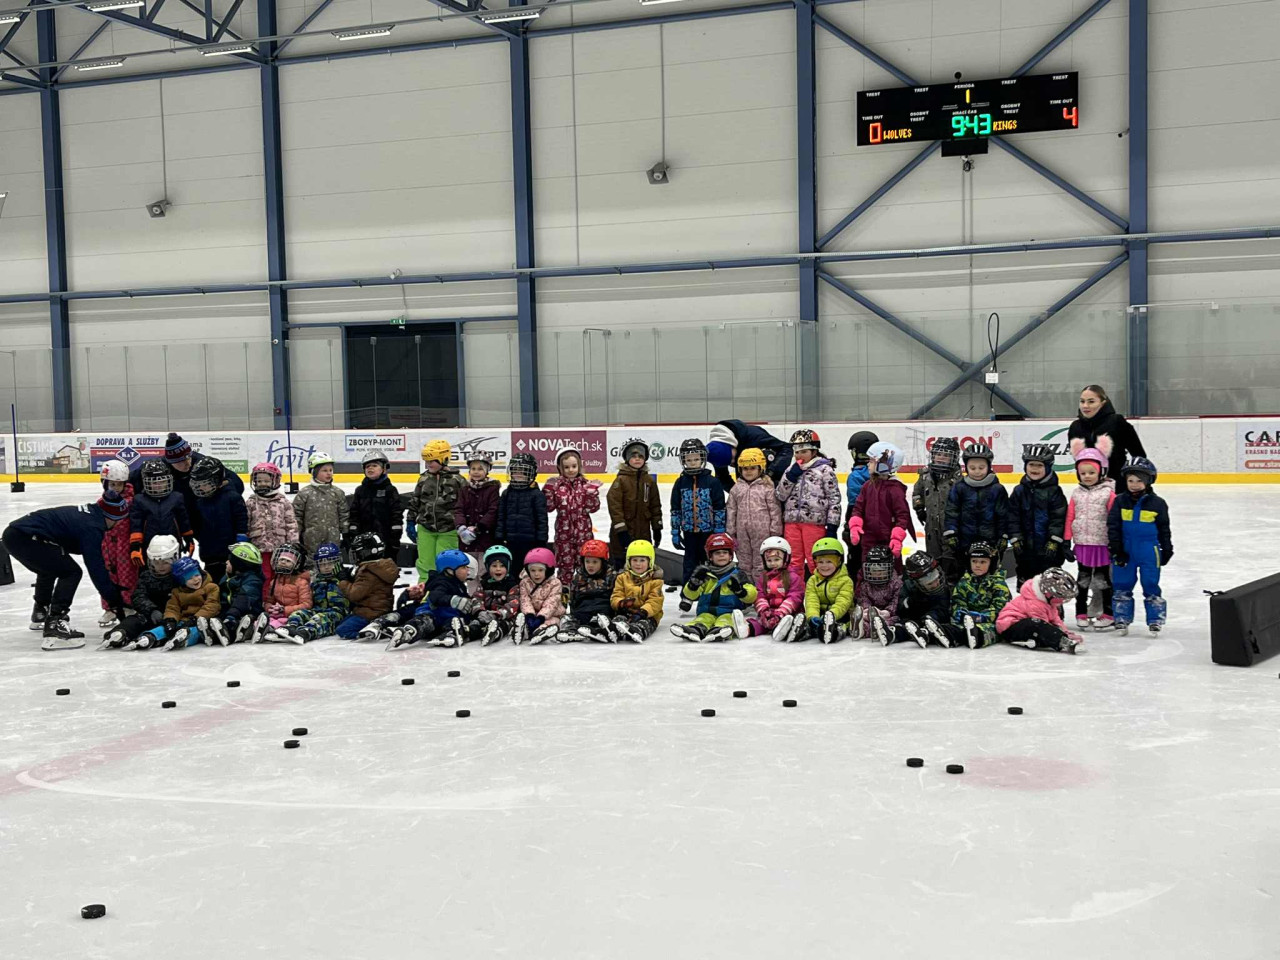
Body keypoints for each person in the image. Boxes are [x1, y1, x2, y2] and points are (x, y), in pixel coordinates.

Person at [2, 490, 130, 648]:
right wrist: (115, 602)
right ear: (111, 517)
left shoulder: (91, 513)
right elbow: (96, 568)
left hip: (14, 535)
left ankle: (41, 612)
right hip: (26, 538)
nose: (117, 525)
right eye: (118, 520)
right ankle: (55, 623)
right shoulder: (92, 526)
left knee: (50, 567)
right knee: (71, 572)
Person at [127, 433, 244, 537]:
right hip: (173, 516)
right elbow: (128, 483)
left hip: (200, 514)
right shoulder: (158, 467)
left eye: (188, 457)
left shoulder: (200, 462)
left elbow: (236, 483)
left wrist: (220, 491)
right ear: (170, 462)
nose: (188, 463)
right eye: (181, 461)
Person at [1108, 457, 1173, 634]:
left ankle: (1155, 619)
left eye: (1139, 481)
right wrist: (1116, 549)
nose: (1134, 485)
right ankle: (1121, 618)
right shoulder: (1120, 501)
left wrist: (1167, 548)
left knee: (1150, 583)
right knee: (1122, 584)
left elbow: (1164, 528)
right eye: (1130, 481)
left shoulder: (1158, 504)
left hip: (1149, 550)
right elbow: (1113, 526)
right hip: (1125, 549)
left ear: (1149, 481)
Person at [774, 429, 841, 578]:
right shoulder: (791, 470)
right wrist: (790, 478)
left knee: (814, 560)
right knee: (793, 561)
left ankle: (819, 589)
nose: (799, 456)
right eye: (797, 452)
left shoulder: (825, 470)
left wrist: (832, 525)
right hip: (792, 523)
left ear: (814, 451)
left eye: (803, 451)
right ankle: (795, 590)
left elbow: (834, 499)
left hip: (814, 524)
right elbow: (780, 495)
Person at [1065, 446, 1117, 631]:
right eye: (1083, 473)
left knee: (1103, 580)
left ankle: (1108, 613)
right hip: (1082, 544)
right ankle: (1080, 613)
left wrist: (1115, 542)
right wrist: (1067, 540)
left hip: (1102, 544)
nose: (1087, 476)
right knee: (1083, 580)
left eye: (1091, 472)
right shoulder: (1076, 493)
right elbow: (1070, 517)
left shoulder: (1108, 494)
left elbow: (1114, 520)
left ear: (1101, 472)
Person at [670, 533, 756, 643]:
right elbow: (690, 595)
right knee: (702, 619)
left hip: (729, 611)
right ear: (710, 556)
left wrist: (741, 592)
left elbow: (752, 596)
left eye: (725, 552)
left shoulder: (738, 574)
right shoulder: (705, 574)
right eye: (717, 553)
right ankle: (695, 629)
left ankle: (720, 630)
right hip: (706, 611)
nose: (721, 556)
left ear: (730, 555)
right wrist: (693, 584)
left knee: (726, 620)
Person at [101, 535, 180, 650]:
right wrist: (151, 610)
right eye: (156, 563)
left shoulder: (180, 576)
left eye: (165, 563)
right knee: (135, 620)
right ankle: (120, 633)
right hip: (150, 615)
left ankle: (151, 637)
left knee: (169, 627)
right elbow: (138, 596)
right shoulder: (146, 576)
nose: (160, 566)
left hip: (172, 617)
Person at [1008, 443, 1068, 589]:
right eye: (1031, 464)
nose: (1034, 469)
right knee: (1026, 585)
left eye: (1039, 465)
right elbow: (1012, 516)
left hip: (1049, 550)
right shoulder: (1019, 491)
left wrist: (1054, 540)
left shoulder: (1055, 492)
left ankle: (1052, 603)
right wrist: (1015, 537)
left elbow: (1059, 518)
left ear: (1048, 467)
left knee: (1049, 586)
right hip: (1025, 549)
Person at [670, 438, 727, 590]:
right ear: (683, 461)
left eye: (696, 459)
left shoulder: (712, 482)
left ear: (702, 459)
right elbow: (675, 509)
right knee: (689, 563)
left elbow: (719, 507)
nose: (693, 463)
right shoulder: (680, 483)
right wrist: (675, 531)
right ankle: (688, 593)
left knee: (709, 562)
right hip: (689, 532)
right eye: (689, 460)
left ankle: (710, 591)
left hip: (709, 532)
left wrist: (719, 530)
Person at [848, 441, 913, 569]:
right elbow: (858, 508)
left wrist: (896, 538)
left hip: (888, 539)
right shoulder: (867, 486)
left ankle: (895, 582)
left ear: (884, 465)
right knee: (867, 567)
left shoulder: (895, 490)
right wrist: (855, 525)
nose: (868, 464)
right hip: (868, 538)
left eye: (872, 461)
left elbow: (902, 515)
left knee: (892, 567)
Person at [943, 442, 1011, 562]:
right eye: (972, 468)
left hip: (991, 541)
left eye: (981, 468)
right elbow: (952, 512)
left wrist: (1003, 535)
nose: (977, 471)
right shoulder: (959, 488)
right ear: (966, 467)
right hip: (964, 541)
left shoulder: (997, 489)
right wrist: (951, 533)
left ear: (989, 467)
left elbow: (1003, 515)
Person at [406, 439, 463, 581]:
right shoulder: (423, 479)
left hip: (448, 530)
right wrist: (410, 521)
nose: (428, 464)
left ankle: (446, 590)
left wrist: (463, 524)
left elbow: (464, 505)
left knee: (447, 565)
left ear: (444, 459)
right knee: (426, 565)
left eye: (432, 461)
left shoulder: (457, 480)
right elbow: (415, 501)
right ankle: (425, 589)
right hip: (426, 529)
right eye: (426, 461)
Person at [726, 448, 783, 586]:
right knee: (744, 562)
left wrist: (775, 532)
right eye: (745, 468)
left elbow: (775, 511)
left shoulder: (767, 488)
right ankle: (747, 591)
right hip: (742, 534)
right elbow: (731, 510)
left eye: (752, 468)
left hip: (763, 533)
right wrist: (731, 531)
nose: (748, 471)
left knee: (761, 562)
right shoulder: (736, 489)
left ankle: (760, 591)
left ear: (760, 468)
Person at [996, 567, 1085, 654]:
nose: (1062, 601)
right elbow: (1043, 625)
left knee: (1040, 627)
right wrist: (1060, 635)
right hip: (1009, 628)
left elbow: (1055, 618)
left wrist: (1065, 631)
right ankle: (1064, 643)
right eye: (1061, 598)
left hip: (1025, 626)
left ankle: (1037, 640)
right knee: (1036, 624)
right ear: (1049, 594)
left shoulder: (1047, 602)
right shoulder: (1035, 603)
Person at [273, 542, 349, 644]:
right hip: (318, 609)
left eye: (330, 563)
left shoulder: (344, 578)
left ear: (337, 562)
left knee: (320, 619)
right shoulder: (316, 581)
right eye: (322, 564)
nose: (326, 567)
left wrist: (346, 579)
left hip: (338, 613)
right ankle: (290, 628)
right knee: (299, 614)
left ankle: (305, 632)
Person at [1068, 384, 1146, 484]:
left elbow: (1139, 455)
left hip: (1118, 485)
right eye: (1082, 401)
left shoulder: (1117, 422)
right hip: (1089, 487)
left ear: (1103, 403)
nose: (1085, 406)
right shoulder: (1075, 427)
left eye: (1091, 401)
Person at [190, 457, 248, 585]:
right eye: (199, 484)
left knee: (231, 583)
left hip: (230, 552)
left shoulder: (232, 497)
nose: (201, 488)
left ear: (217, 480)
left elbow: (241, 518)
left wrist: (241, 536)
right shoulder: (200, 501)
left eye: (205, 484)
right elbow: (198, 524)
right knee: (212, 584)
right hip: (209, 553)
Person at [782, 537, 853, 643]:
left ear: (838, 561)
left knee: (841, 626)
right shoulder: (813, 580)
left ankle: (834, 632)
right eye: (820, 562)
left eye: (829, 562)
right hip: (820, 615)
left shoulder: (846, 581)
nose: (824, 566)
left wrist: (832, 615)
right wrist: (813, 616)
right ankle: (802, 631)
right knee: (811, 624)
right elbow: (811, 601)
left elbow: (843, 602)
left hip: (840, 615)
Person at [606, 438, 662, 570]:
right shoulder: (621, 480)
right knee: (621, 563)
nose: (637, 459)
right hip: (622, 534)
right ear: (627, 459)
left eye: (641, 456)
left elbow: (655, 506)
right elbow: (615, 506)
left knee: (642, 563)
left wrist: (657, 527)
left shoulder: (649, 481)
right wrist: (621, 531)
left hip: (643, 533)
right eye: (633, 456)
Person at [544, 446, 602, 575]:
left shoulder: (586, 485)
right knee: (565, 568)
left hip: (583, 534)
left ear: (579, 466)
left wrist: (591, 494)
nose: (571, 470)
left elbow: (593, 508)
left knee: (584, 566)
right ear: (560, 468)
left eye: (574, 466)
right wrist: (548, 490)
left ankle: (583, 586)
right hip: (564, 535)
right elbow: (549, 507)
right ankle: (565, 587)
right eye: (566, 467)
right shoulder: (556, 486)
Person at [911, 437, 961, 585]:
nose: (941, 458)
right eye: (938, 454)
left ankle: (951, 584)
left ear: (954, 458)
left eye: (946, 455)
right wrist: (919, 508)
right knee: (933, 556)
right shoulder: (925, 476)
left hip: (950, 526)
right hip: (931, 525)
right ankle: (935, 585)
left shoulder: (958, 480)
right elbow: (917, 492)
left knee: (950, 557)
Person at [96, 460, 137, 629]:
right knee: (108, 575)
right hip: (107, 545)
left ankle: (128, 605)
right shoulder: (101, 502)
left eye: (119, 484)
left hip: (125, 545)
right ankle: (110, 607)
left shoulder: (132, 501)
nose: (116, 488)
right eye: (112, 484)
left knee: (127, 575)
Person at [130, 459, 194, 566]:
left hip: (173, 544)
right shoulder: (139, 500)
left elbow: (183, 520)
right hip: (148, 545)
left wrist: (188, 538)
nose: (158, 485)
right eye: (154, 482)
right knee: (149, 569)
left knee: (174, 569)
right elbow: (136, 524)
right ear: (146, 482)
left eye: (162, 481)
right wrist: (135, 546)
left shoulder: (176, 498)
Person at [950, 541, 1013, 649]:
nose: (977, 565)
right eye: (974, 561)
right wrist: (959, 612)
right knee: (956, 626)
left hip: (990, 621)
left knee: (996, 628)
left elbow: (1000, 609)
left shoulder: (998, 584)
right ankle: (948, 634)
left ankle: (977, 635)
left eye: (983, 562)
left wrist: (981, 617)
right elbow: (957, 601)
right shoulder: (964, 582)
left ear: (991, 564)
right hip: (968, 620)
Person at [336, 533, 400, 639]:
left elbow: (354, 594)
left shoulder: (368, 572)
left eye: (357, 553)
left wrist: (343, 581)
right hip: (377, 609)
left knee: (342, 629)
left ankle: (371, 634)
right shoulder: (380, 567)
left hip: (370, 612)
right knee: (343, 621)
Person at [887, 551, 954, 648]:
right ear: (916, 582)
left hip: (934, 622)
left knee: (936, 623)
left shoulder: (945, 589)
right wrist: (911, 602)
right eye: (929, 582)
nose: (935, 584)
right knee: (906, 624)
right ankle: (893, 633)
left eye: (936, 576)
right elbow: (901, 610)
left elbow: (942, 611)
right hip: (914, 620)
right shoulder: (908, 587)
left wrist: (928, 618)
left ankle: (924, 632)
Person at [347, 449, 403, 562]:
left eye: (374, 465)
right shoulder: (360, 491)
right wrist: (353, 530)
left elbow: (396, 513)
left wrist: (395, 536)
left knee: (385, 567)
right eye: (367, 466)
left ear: (384, 468)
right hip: (364, 540)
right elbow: (354, 513)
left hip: (386, 539)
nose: (370, 468)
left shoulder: (390, 490)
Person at [496, 453, 549, 575]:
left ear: (532, 473)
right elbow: (501, 517)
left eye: (522, 471)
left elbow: (542, 520)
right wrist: (499, 536)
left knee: (528, 571)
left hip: (530, 542)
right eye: (515, 471)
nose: (518, 474)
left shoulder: (537, 495)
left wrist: (541, 541)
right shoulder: (506, 493)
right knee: (512, 571)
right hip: (510, 541)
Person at [293, 452, 349, 566]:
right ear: (314, 472)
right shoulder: (305, 493)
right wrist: (296, 536)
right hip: (311, 539)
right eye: (324, 470)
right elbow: (296, 516)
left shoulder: (337, 493)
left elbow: (344, 514)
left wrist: (346, 532)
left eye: (331, 470)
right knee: (312, 564)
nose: (329, 473)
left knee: (333, 563)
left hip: (332, 538)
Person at [156, 556, 222, 650]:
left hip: (202, 621)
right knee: (165, 629)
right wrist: (171, 620)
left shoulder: (211, 587)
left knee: (196, 630)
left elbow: (212, 605)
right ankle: (151, 636)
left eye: (196, 575)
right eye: (189, 578)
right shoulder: (177, 592)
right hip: (183, 621)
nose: (195, 579)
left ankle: (183, 639)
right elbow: (173, 608)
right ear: (182, 581)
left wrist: (196, 618)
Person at [246, 461, 297, 581]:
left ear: (275, 481)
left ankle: (278, 593)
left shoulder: (283, 502)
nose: (262, 484)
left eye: (266, 481)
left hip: (279, 547)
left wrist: (293, 543)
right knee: (265, 575)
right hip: (259, 547)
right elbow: (246, 524)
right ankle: (265, 593)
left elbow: (291, 524)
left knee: (280, 574)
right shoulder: (251, 502)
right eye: (259, 481)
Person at [706, 419, 793, 491]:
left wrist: (770, 473)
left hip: (770, 479)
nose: (733, 462)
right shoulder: (715, 452)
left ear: (731, 445)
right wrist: (737, 493)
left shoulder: (755, 436)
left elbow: (786, 449)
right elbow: (722, 477)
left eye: (732, 458)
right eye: (729, 463)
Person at [206, 541, 266, 645]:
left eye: (229, 561)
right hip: (230, 613)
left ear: (239, 565)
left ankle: (231, 633)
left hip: (245, 613)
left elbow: (244, 599)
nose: (226, 562)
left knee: (237, 622)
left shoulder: (253, 581)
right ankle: (212, 632)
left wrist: (231, 615)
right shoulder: (229, 577)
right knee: (215, 620)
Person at [607, 539, 664, 643]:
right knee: (619, 618)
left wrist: (643, 611)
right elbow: (616, 595)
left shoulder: (655, 581)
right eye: (634, 560)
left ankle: (637, 631)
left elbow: (655, 601)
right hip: (627, 611)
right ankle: (612, 631)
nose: (638, 564)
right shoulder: (622, 578)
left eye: (642, 560)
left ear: (650, 562)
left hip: (648, 615)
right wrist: (620, 603)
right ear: (629, 561)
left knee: (645, 623)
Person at [559, 539, 617, 643]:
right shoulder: (578, 577)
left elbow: (615, 596)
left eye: (595, 562)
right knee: (569, 618)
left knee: (604, 616)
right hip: (583, 609)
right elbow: (573, 598)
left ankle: (601, 629)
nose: (590, 565)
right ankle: (571, 631)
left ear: (603, 562)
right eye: (587, 561)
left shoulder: (611, 576)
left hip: (602, 609)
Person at [749, 536, 804, 640]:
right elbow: (760, 595)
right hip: (769, 613)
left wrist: (780, 613)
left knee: (790, 621)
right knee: (758, 623)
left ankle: (785, 630)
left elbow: (794, 597)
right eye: (769, 560)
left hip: (788, 613)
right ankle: (747, 629)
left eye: (777, 560)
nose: (773, 563)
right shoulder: (763, 578)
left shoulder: (793, 577)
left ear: (786, 559)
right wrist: (764, 611)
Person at [256, 541, 311, 640]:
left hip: (291, 615)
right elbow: (269, 601)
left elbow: (306, 604)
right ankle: (261, 629)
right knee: (260, 620)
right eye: (281, 559)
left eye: (288, 561)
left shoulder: (301, 582)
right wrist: (270, 608)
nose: (283, 562)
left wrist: (284, 610)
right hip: (276, 614)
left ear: (296, 565)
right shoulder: (274, 582)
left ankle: (272, 630)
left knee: (281, 621)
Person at [843, 430, 878, 576]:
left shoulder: (855, 476)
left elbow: (854, 502)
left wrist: (848, 525)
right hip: (878, 522)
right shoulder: (881, 473)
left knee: (856, 558)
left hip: (857, 520)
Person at [514, 547, 566, 644]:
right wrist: (529, 615)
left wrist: (541, 617)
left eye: (540, 570)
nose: (536, 574)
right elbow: (525, 600)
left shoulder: (555, 583)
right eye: (533, 570)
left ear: (548, 570)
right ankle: (524, 630)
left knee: (552, 622)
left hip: (552, 614)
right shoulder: (525, 582)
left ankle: (541, 631)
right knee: (523, 619)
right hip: (533, 614)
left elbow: (552, 602)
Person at [454, 453, 500, 562]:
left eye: (480, 469)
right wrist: (461, 528)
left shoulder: (492, 489)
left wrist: (478, 528)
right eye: (473, 468)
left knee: (483, 568)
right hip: (466, 541)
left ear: (487, 470)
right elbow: (459, 510)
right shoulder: (464, 489)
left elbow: (493, 511)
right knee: (468, 567)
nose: (476, 472)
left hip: (486, 538)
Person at [471, 545, 521, 645]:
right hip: (485, 614)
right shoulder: (484, 583)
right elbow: (477, 598)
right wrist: (480, 611)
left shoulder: (511, 584)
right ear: (487, 567)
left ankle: (495, 633)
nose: (498, 569)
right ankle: (468, 632)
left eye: (502, 566)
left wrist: (498, 614)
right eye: (494, 566)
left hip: (504, 616)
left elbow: (514, 602)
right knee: (476, 622)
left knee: (506, 624)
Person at [855, 545, 903, 646]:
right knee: (862, 620)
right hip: (872, 614)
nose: (877, 573)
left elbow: (896, 600)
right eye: (874, 569)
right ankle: (862, 630)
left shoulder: (896, 583)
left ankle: (881, 629)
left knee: (895, 620)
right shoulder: (866, 584)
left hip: (889, 615)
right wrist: (867, 610)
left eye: (881, 569)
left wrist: (888, 612)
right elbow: (864, 599)